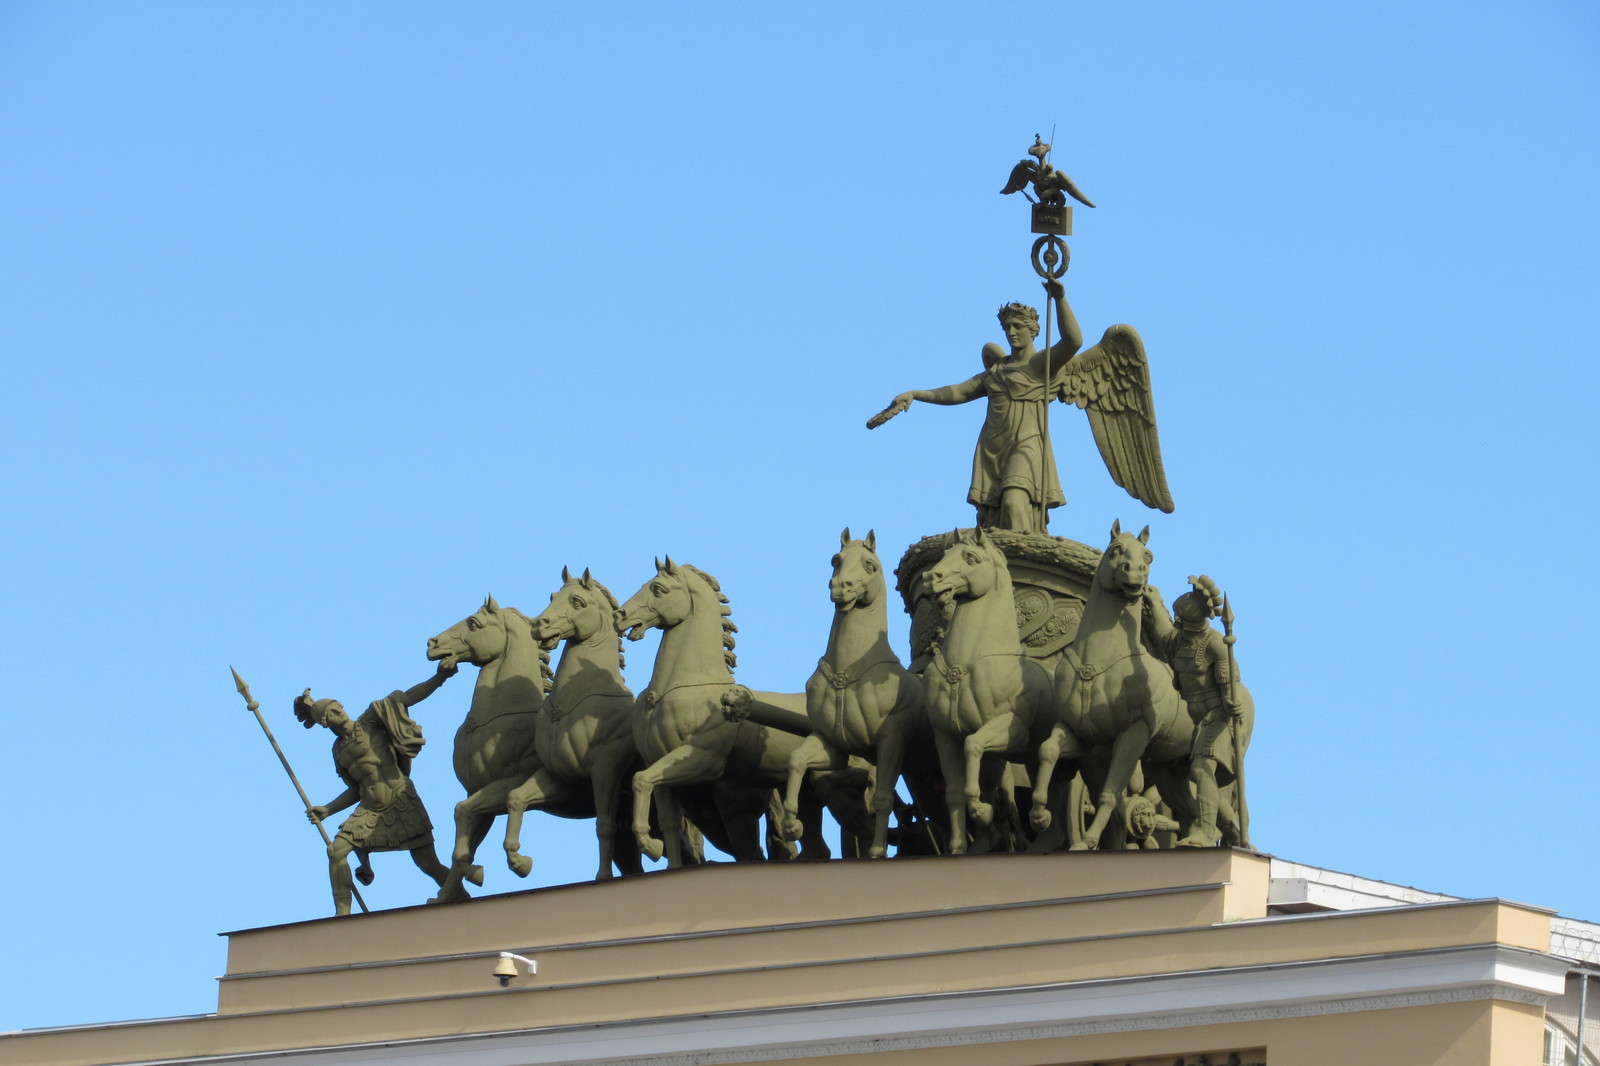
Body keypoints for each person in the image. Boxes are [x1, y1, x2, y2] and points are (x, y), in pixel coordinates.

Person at [868, 276, 1081, 533]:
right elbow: (958, 392)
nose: (1011, 333)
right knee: (995, 517)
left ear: (1033, 329)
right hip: (992, 447)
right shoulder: (997, 371)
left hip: (1027, 444)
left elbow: (1073, 342)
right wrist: (916, 394)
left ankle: (1023, 560)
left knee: (1014, 502)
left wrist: (1059, 298)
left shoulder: (1041, 365)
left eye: (1016, 326)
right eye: (1006, 328)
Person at [294, 661, 457, 915]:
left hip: (400, 799)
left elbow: (405, 699)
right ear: (325, 723)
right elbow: (354, 790)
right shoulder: (339, 751)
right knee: (336, 850)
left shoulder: (370, 720)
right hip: (369, 809)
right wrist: (327, 809)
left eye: (338, 709)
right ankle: (342, 914)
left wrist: (439, 678)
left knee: (428, 864)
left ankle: (459, 895)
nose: (340, 715)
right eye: (332, 715)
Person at [1142, 578, 1245, 847]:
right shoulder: (1179, 641)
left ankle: (1207, 833)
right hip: (1199, 719)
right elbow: (1163, 633)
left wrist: (1232, 703)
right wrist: (1154, 602)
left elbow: (1230, 689)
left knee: (1200, 770)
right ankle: (1234, 833)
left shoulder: (1215, 645)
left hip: (1219, 717)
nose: (1178, 624)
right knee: (1201, 775)